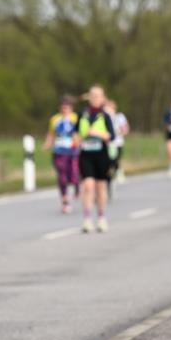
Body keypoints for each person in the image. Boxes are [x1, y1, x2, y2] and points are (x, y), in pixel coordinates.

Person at [73, 85, 115, 233]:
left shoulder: (105, 116)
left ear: (103, 98)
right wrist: (76, 140)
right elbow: (76, 133)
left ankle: (101, 217)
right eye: (93, 95)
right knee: (88, 186)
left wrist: (98, 133)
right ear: (89, 97)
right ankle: (87, 219)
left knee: (100, 187)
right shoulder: (82, 114)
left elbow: (111, 136)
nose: (95, 98)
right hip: (86, 154)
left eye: (98, 96)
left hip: (101, 154)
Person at [42, 95, 80, 213]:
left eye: (67, 107)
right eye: (63, 107)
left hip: (72, 152)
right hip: (59, 151)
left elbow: (80, 133)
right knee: (62, 176)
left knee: (73, 175)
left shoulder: (76, 118)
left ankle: (77, 186)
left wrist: (79, 142)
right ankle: (65, 199)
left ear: (71, 108)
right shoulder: (55, 119)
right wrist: (47, 144)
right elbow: (51, 134)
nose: (65, 110)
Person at [105, 99, 129, 195]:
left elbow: (125, 129)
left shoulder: (119, 117)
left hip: (117, 143)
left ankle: (117, 172)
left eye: (110, 107)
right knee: (107, 164)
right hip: (107, 144)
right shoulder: (103, 117)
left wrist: (119, 133)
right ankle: (109, 181)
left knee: (115, 161)